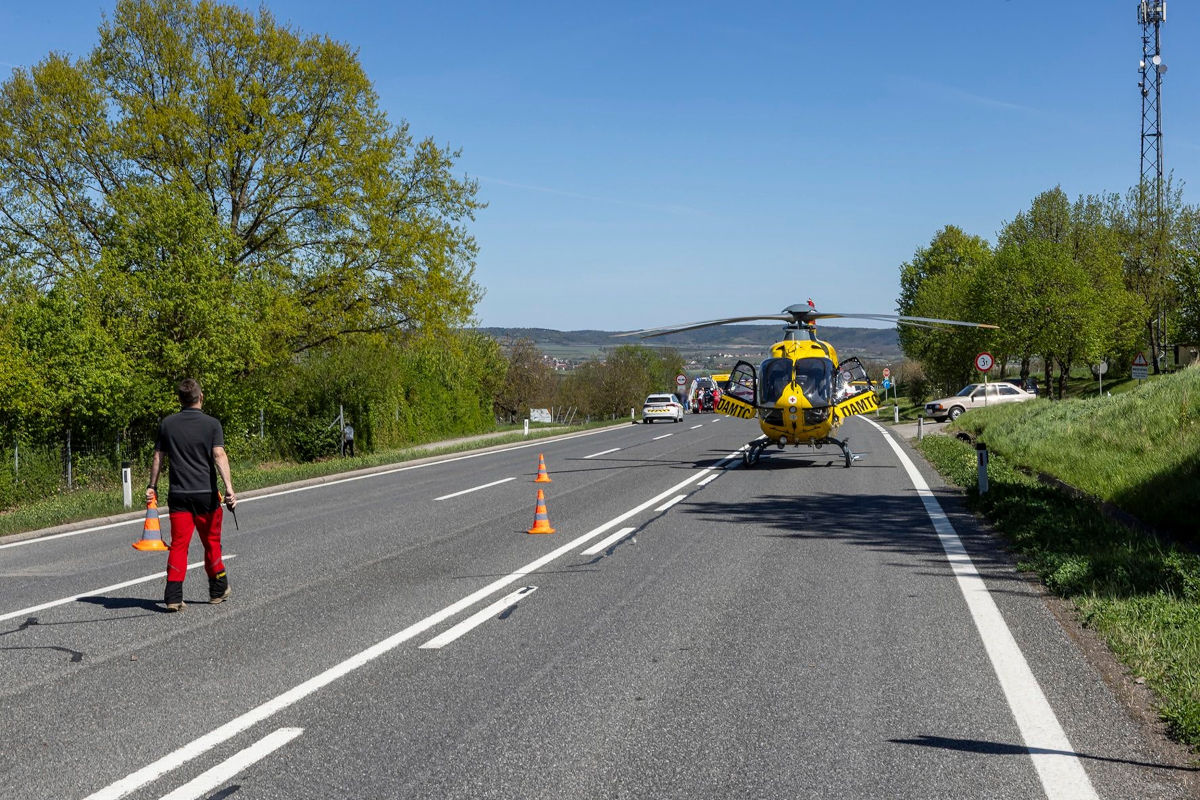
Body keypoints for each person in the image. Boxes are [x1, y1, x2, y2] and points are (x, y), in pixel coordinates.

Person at [146, 378, 237, 611]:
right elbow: (219, 455)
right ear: (201, 397)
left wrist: (152, 486)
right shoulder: (212, 424)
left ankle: (173, 597)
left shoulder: (167, 424)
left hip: (178, 494)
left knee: (179, 544)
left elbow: (158, 456)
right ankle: (217, 590)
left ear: (180, 399)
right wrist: (229, 487)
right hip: (206, 494)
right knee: (211, 542)